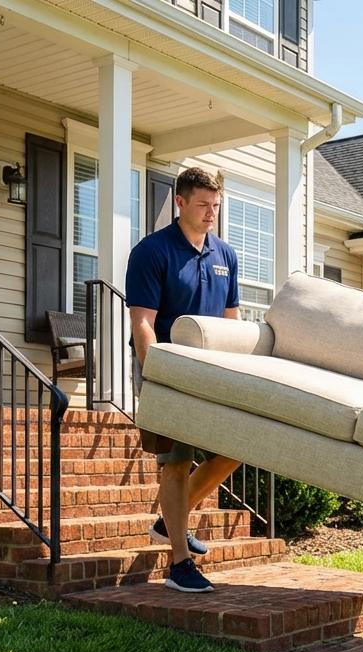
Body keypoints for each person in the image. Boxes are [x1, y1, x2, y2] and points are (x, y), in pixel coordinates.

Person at [126, 167, 242, 593]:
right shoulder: (152, 252)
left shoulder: (225, 256)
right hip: (166, 370)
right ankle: (179, 563)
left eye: (216, 206)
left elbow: (232, 323)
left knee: (235, 450)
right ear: (180, 202)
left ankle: (168, 521)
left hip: (211, 373)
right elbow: (142, 322)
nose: (211, 213)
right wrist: (156, 374)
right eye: (202, 205)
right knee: (174, 461)